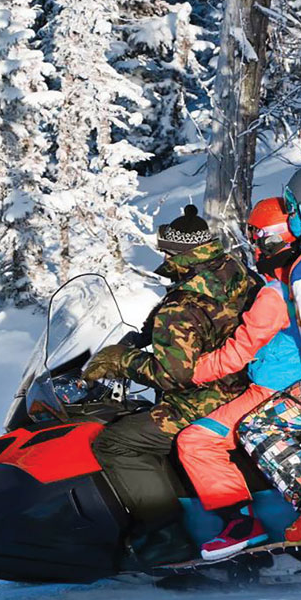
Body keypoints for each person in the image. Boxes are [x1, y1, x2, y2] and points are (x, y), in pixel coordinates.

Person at [80, 205, 254, 559]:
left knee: (116, 442)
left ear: (176, 253)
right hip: (247, 386)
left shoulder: (182, 302)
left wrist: (120, 361)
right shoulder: (235, 271)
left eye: (166, 252)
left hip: (205, 399)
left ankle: (167, 536)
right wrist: (143, 337)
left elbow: (173, 375)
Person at [174, 197, 301, 559]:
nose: (254, 247)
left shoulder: (274, 293)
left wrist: (188, 371)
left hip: (276, 387)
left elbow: (238, 352)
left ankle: (241, 524)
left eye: (256, 239)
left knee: (196, 441)